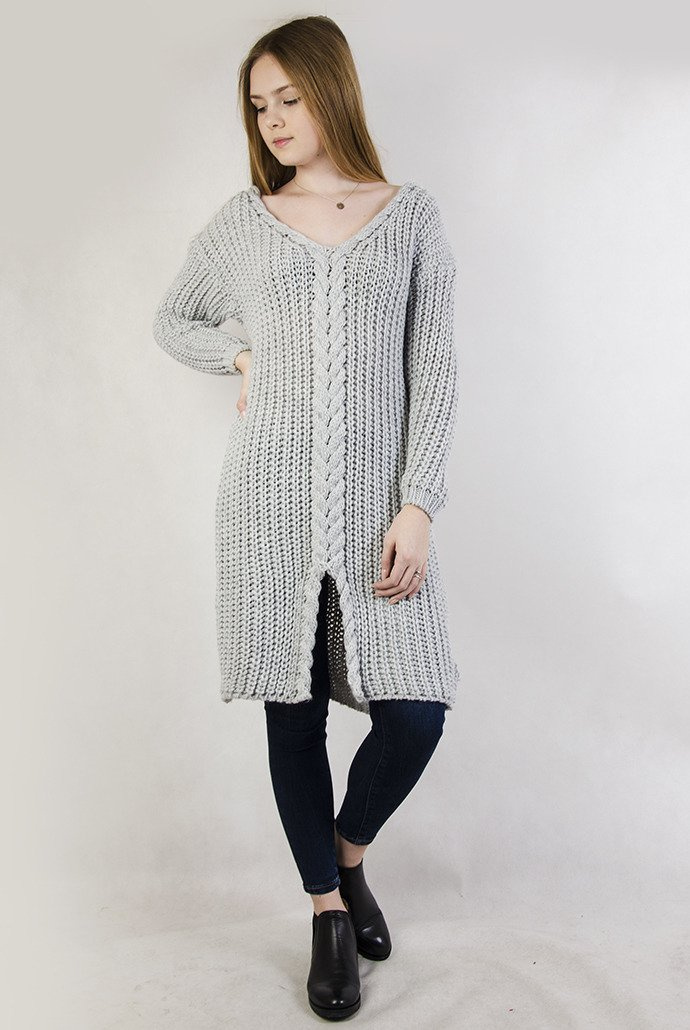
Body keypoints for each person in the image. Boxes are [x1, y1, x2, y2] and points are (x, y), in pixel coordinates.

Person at [152, 14, 460, 1022]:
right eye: (258, 106)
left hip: (378, 513)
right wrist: (241, 353)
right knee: (293, 711)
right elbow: (173, 317)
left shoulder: (409, 217)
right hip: (267, 506)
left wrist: (418, 503)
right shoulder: (244, 223)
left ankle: (347, 854)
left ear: (331, 89)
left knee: (415, 713)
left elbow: (434, 369)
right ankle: (327, 912)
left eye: (289, 97)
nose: (274, 120)